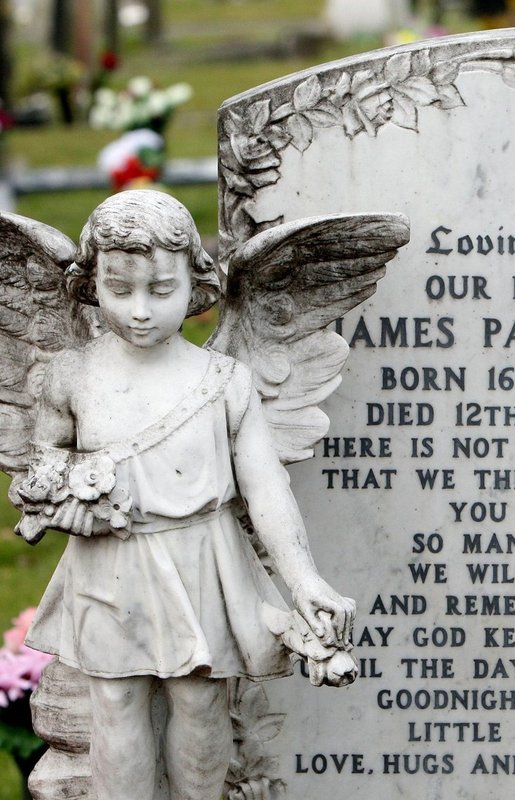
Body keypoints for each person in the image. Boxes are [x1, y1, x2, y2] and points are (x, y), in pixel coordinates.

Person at [19, 191, 354, 800]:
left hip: (204, 557)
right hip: (111, 565)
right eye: (120, 291)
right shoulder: (71, 375)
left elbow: (264, 486)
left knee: (200, 703)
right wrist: (64, 492)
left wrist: (305, 582)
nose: (140, 310)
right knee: (116, 700)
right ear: (93, 284)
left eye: (161, 289)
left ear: (196, 284)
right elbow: (44, 463)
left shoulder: (224, 381)